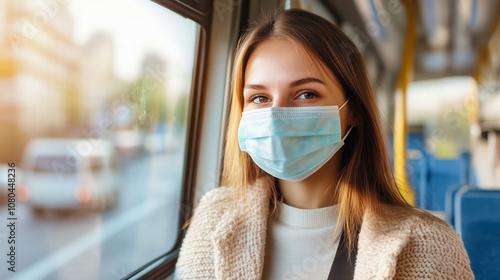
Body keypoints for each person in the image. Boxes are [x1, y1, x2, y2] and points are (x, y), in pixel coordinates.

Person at [174, 9, 474, 280]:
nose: (277, 115)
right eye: (260, 98)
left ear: (353, 110)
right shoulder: (213, 220)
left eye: (306, 94)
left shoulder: (429, 246)